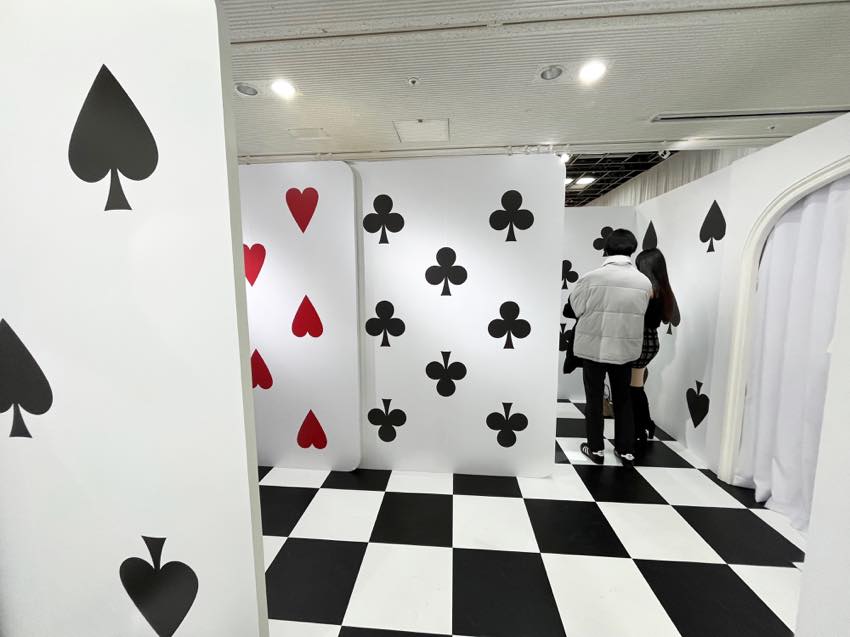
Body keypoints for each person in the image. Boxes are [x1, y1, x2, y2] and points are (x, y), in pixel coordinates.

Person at [569, 229, 651, 467]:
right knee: (623, 398)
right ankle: (626, 450)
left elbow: (576, 308)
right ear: (632, 249)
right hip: (625, 349)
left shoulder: (591, 278)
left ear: (606, 249)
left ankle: (595, 448)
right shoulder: (643, 282)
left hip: (593, 347)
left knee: (594, 398)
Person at [631, 248, 677, 444]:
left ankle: (640, 427)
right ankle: (645, 425)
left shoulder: (648, 291)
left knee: (632, 389)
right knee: (636, 386)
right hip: (651, 341)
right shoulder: (664, 291)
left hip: (640, 342)